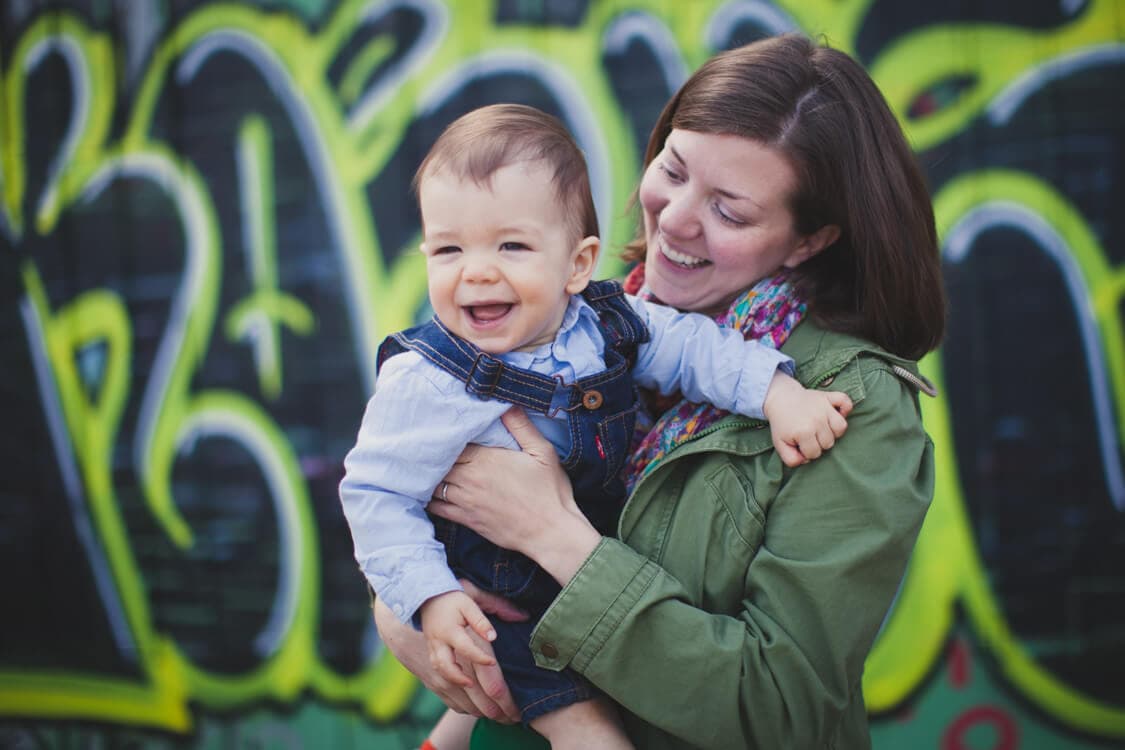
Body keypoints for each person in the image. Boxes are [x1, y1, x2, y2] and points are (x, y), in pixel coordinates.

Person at [373, 32, 947, 750]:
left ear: (807, 241)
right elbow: (397, 497)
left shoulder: (844, 405)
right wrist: (405, 607)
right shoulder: (576, 326)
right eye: (672, 170)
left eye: (729, 212)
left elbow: (784, 711)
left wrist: (553, 535)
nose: (674, 218)